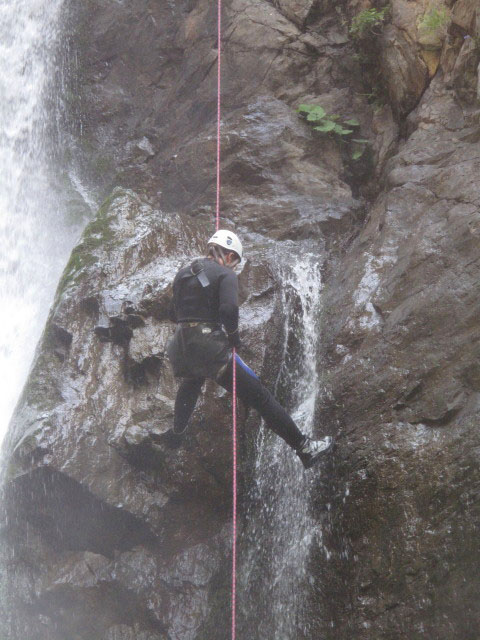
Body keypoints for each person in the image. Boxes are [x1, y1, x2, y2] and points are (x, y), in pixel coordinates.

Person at [166, 229, 332, 469]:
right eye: (235, 262)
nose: (234, 267)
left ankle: (177, 433)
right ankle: (304, 447)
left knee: (192, 381)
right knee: (260, 397)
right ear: (231, 255)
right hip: (207, 344)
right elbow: (229, 310)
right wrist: (233, 338)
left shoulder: (183, 274)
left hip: (180, 346)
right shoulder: (225, 275)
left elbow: (173, 313)